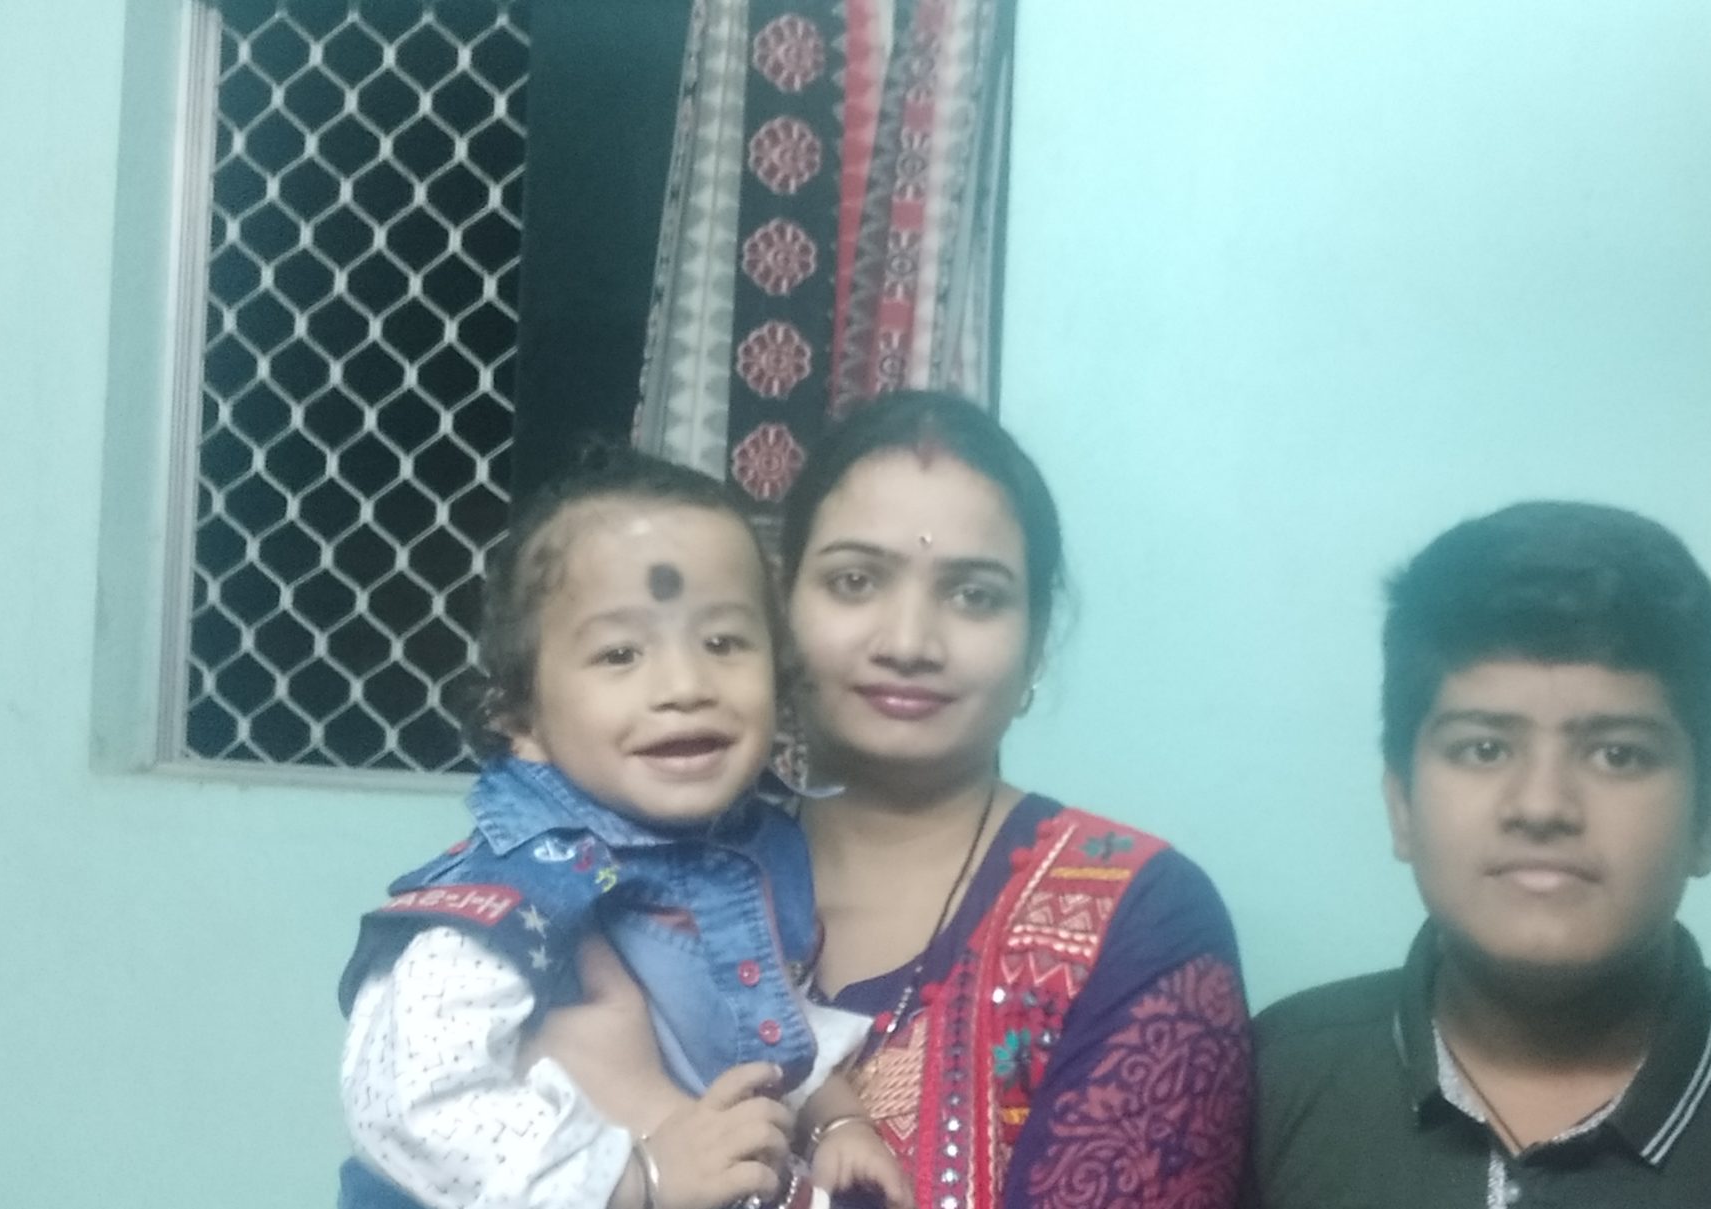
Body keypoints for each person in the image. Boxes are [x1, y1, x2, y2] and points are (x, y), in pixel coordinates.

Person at [536, 391, 1256, 1208]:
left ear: (1036, 640)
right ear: (779, 611)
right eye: (854, 581)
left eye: (974, 594)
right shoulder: (623, 878)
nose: (909, 642)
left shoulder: (1141, 919)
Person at [334, 451, 911, 1209]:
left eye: (723, 642)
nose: (686, 686)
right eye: (620, 653)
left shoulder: (751, 853)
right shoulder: (507, 894)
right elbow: (408, 1101)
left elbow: (759, 1017)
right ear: (518, 715)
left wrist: (836, 1120)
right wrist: (635, 1180)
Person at [1250, 502, 1711, 1209]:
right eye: (1483, 748)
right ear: (1401, 803)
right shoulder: (1261, 1078)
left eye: (1618, 754)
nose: (1542, 805)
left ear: (1707, 815)